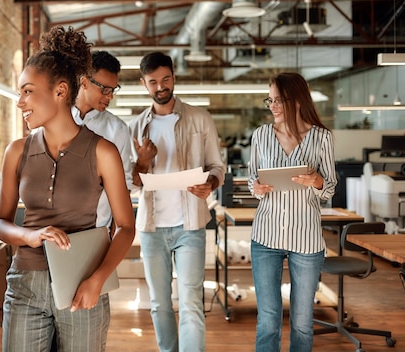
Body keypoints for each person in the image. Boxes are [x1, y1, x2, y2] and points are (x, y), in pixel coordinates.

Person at [0, 26, 135, 352]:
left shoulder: (104, 151)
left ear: (60, 91)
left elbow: (126, 227)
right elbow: (0, 224)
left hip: (83, 282)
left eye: (27, 91)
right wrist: (29, 236)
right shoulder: (16, 151)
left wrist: (96, 281)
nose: (20, 102)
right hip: (24, 285)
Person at [129, 51, 225, 352]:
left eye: (166, 79)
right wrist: (141, 163)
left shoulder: (200, 118)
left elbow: (217, 167)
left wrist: (210, 184)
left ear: (174, 77)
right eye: (153, 82)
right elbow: (129, 184)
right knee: (159, 304)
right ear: (144, 83)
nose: (161, 87)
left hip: (190, 225)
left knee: (191, 302)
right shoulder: (134, 128)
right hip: (151, 228)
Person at [247, 72, 337, 352]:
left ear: (297, 101)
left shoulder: (322, 138)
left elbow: (330, 187)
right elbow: (252, 179)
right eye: (270, 100)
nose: (273, 106)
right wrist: (256, 187)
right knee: (268, 319)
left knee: (301, 320)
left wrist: (316, 181)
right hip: (266, 237)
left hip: (306, 240)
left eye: (279, 100)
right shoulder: (261, 135)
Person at [72, 50, 132, 230]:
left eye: (113, 90)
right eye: (105, 89)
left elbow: (124, 187)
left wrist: (113, 236)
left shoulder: (118, 130)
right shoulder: (55, 120)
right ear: (84, 82)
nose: (110, 96)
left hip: (98, 230)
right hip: (55, 232)